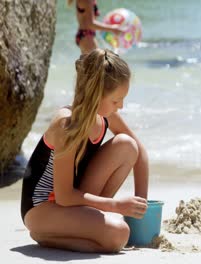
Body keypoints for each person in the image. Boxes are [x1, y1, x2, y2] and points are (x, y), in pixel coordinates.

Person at [21, 49, 149, 253]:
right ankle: (45, 235)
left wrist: (142, 207)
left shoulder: (107, 116)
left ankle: (86, 224)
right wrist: (115, 206)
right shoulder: (66, 124)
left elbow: (139, 152)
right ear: (95, 95)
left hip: (73, 200)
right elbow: (64, 196)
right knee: (118, 234)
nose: (121, 106)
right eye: (116, 101)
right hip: (43, 207)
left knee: (127, 145)